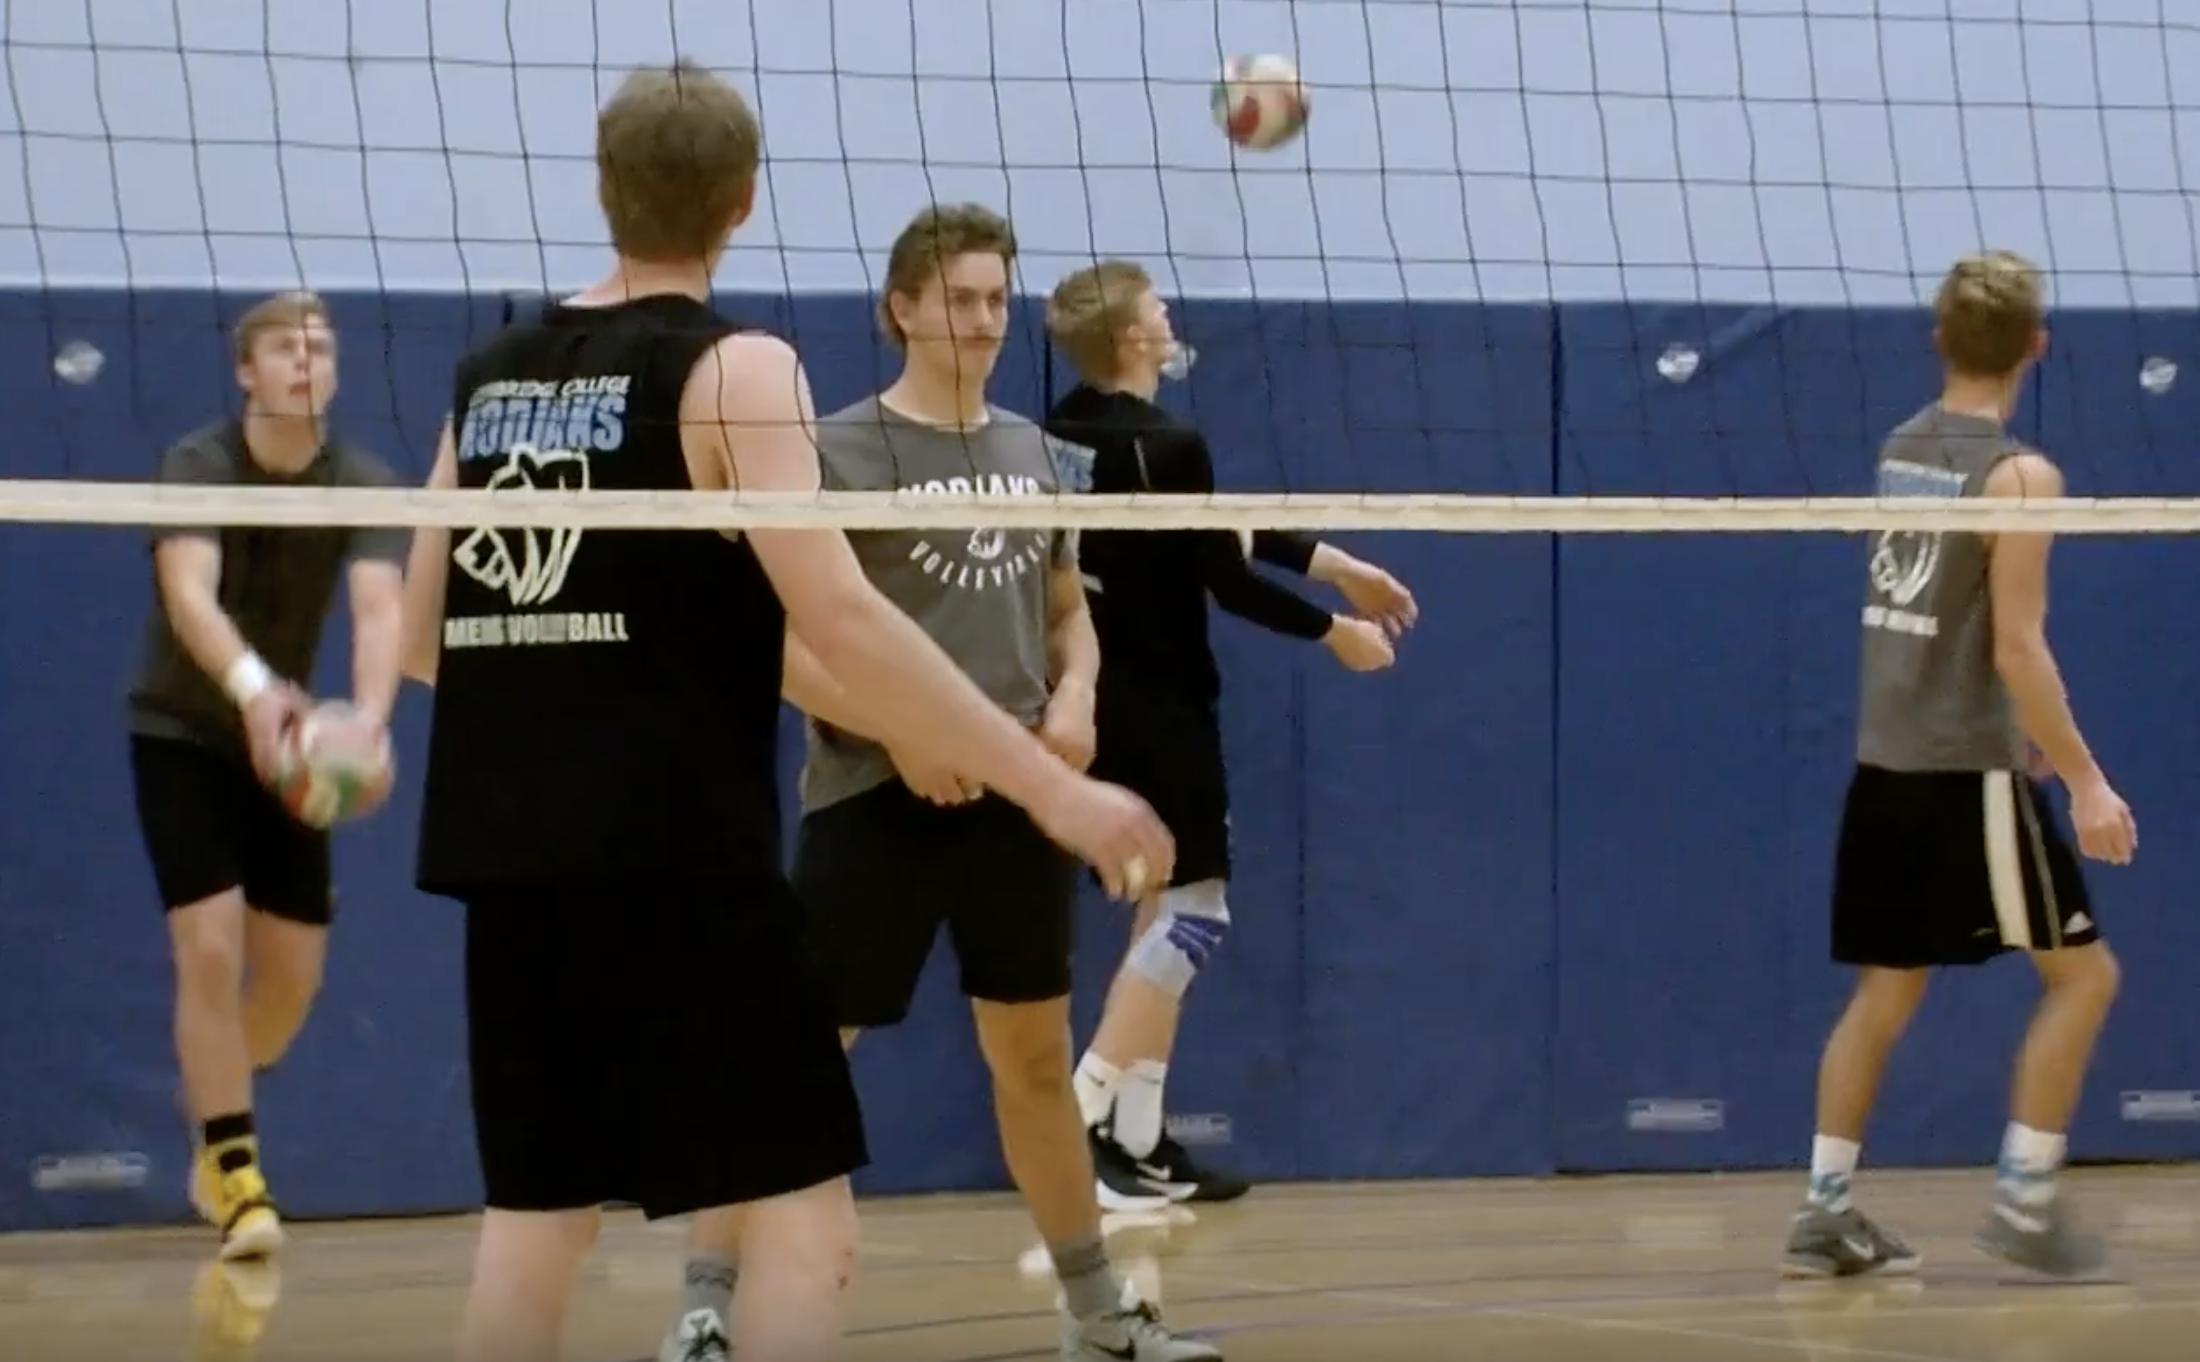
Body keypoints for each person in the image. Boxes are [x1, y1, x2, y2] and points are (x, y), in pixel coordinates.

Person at [396, 73, 1174, 1362]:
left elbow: (426, 638)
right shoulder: (739, 367)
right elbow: (845, 618)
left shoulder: (486, 380)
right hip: (682, 865)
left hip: (510, 862)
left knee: (534, 1228)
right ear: (744, 204)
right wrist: (1057, 789)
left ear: (601, 188)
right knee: (808, 1227)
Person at [664, 203, 1220, 1362]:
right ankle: (708, 1307)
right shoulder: (837, 449)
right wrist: (898, 731)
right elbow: (780, 640)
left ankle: (1096, 1314)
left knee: (1029, 1059)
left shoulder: (1038, 453)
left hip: (1012, 807)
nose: (979, 321)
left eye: (994, 300)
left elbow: (1070, 618)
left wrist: (1072, 704)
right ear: (901, 308)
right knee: (796, 1058)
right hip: (877, 794)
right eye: (957, 299)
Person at [1783, 250, 2133, 1283]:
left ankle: (1824, 1210)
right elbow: (2013, 646)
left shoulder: (1903, 447)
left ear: (1938, 339)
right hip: (1961, 773)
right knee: (2083, 978)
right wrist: (2084, 781)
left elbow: (1932, 616)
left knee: (1885, 993)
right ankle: (2024, 1204)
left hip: (1886, 762)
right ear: (2037, 345)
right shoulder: (2020, 476)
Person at [1039, 259, 1417, 1208]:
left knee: (1158, 903)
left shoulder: (1058, 432)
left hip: (1088, 692)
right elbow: (1225, 576)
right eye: (1156, 306)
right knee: (1198, 910)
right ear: (1133, 337)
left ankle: (1142, 1138)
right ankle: (1083, 1117)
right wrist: (1336, 634)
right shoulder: (1169, 441)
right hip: (1162, 706)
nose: (1170, 316)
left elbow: (1208, 534)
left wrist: (1336, 565)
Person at [125, 288, 407, 1261]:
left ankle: (216, 1089)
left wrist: (367, 724)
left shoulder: (359, 479)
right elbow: (189, 599)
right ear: (247, 370)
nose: (305, 360)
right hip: (183, 732)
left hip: (289, 751)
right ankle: (236, 1173)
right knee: (207, 950)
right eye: (285, 346)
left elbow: (379, 614)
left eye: (319, 346)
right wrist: (255, 694)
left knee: (288, 987)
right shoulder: (199, 463)